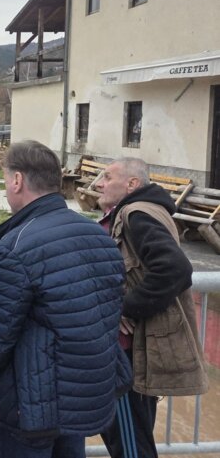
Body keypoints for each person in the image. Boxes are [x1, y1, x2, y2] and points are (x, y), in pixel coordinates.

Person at [0, 140, 130, 458]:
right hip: (81, 402)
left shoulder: (15, 248)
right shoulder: (99, 236)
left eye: (6, 181)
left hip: (29, 410)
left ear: (17, 181)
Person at [96, 158, 208, 458]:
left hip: (130, 351)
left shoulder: (137, 214)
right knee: (128, 436)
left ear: (132, 184)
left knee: (131, 445)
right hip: (134, 351)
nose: (98, 183)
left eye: (107, 177)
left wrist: (124, 309)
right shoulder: (139, 211)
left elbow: (175, 269)